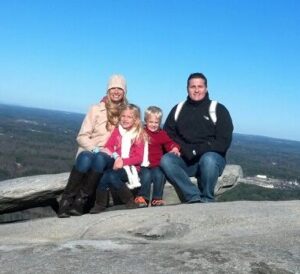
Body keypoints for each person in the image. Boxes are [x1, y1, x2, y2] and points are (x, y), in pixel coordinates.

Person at [57, 74, 128, 218]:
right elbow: (81, 136)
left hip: (110, 156)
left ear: (124, 92)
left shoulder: (127, 113)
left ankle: (80, 201)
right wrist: (95, 149)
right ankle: (66, 202)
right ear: (107, 91)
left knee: (100, 158)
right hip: (91, 150)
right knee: (86, 158)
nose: (116, 91)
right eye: (112, 88)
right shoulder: (95, 109)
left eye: (119, 88)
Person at [160, 72, 233, 203]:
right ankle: (193, 197)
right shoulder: (178, 109)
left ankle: (207, 198)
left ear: (206, 88)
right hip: (185, 159)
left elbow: (223, 141)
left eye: (200, 86)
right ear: (187, 88)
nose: (196, 90)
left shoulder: (218, 109)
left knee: (209, 160)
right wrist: (180, 148)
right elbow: (168, 135)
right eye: (192, 87)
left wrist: (196, 151)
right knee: (166, 160)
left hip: (211, 160)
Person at [90, 104, 146, 214]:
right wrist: (105, 151)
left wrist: (122, 161)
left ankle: (129, 200)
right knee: (103, 171)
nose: (125, 119)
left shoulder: (138, 134)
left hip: (131, 168)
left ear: (136, 120)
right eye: (123, 116)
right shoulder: (117, 131)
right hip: (116, 162)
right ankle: (100, 203)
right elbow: (110, 146)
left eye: (129, 117)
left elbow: (138, 158)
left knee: (110, 175)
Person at [134, 106, 180, 207]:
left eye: (156, 122)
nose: (153, 125)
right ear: (146, 121)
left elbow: (169, 143)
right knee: (146, 176)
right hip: (143, 164)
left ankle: (157, 198)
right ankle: (143, 198)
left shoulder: (161, 134)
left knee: (159, 175)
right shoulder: (141, 132)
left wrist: (174, 148)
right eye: (151, 122)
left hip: (156, 164)